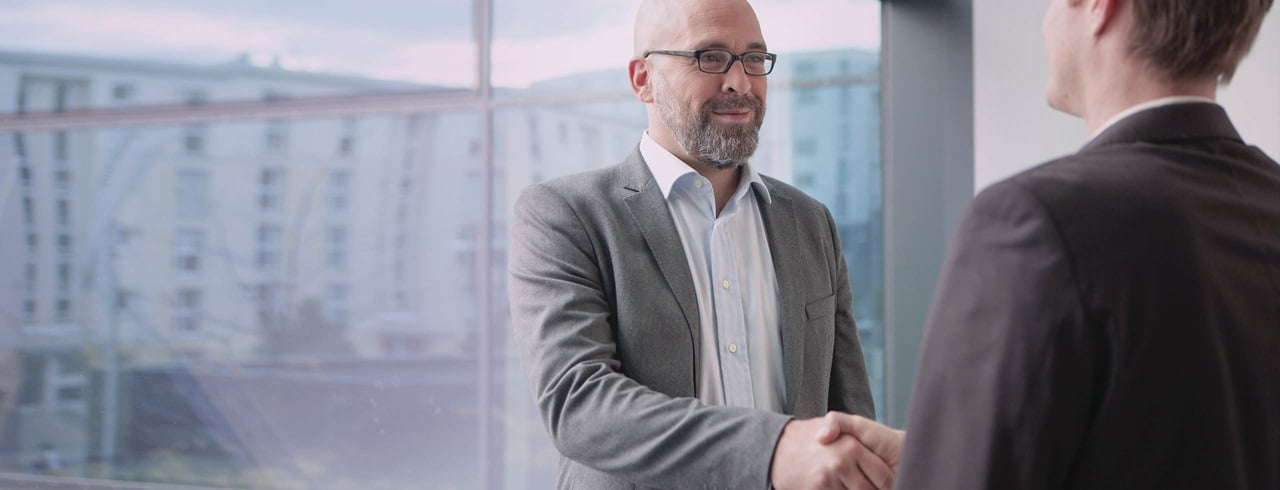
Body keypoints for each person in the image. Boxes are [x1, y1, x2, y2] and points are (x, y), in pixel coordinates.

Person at [820, 0, 1280, 488]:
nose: (1045, 22)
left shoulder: (1034, 218)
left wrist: (939, 468)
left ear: (1101, 7)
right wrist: (936, 453)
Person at [507, 0, 887, 488]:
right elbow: (578, 406)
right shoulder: (566, 215)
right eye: (710, 57)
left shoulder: (811, 222)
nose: (740, 82)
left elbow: (850, 417)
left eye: (754, 58)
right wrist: (772, 448)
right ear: (643, 79)